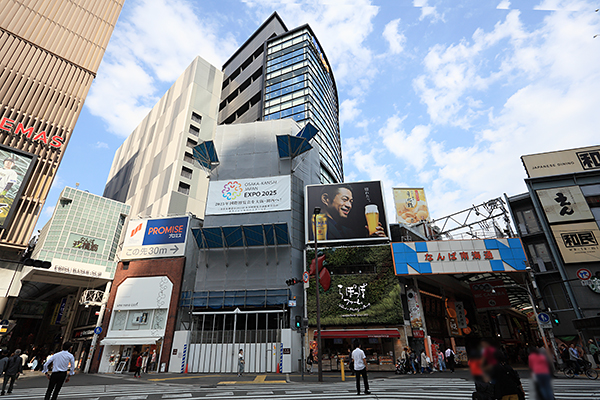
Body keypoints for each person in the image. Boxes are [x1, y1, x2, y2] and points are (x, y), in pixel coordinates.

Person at [316, 185, 386, 240]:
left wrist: (373, 241)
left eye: (351, 202)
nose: (349, 205)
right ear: (325, 199)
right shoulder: (313, 227)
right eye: (344, 199)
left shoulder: (347, 232)